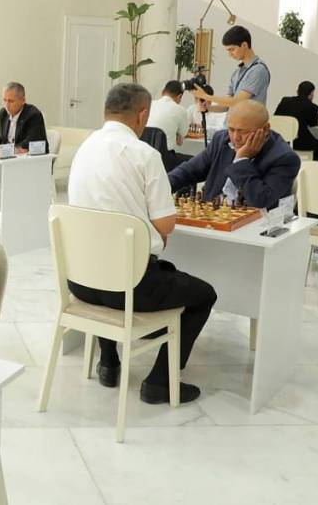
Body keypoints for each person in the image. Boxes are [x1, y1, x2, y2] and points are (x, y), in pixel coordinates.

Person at [67, 83, 216, 404]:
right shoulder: (145, 155)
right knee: (204, 295)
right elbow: (166, 225)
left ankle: (109, 362)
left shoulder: (84, 147)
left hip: (80, 282)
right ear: (143, 115)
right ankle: (161, 382)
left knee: (114, 263)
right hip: (129, 287)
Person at [168, 101, 301, 210]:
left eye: (243, 131)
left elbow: (260, 200)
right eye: (231, 129)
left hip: (254, 226)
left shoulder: (284, 158)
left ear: (265, 129)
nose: (236, 137)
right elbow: (190, 170)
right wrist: (162, 186)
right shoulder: (221, 139)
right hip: (213, 215)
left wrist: (241, 160)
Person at [190, 25, 270, 109]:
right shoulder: (237, 72)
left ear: (244, 45)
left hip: (248, 118)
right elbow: (228, 104)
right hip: (232, 117)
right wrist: (207, 108)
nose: (230, 54)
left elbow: (237, 102)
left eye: (232, 49)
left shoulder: (258, 70)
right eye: (228, 51)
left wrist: (205, 96)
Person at [0, 81, 48, 151]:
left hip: (32, 157)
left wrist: (7, 149)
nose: (7, 105)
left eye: (11, 101)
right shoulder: (3, 113)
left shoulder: (33, 115)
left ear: (23, 100)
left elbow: (30, 142)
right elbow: (3, 139)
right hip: (10, 156)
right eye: (5, 100)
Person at [274, 80, 318, 157]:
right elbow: (313, 124)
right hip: (301, 142)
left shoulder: (285, 101)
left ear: (297, 91)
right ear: (311, 94)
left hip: (281, 140)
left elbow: (276, 116)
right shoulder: (312, 107)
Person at [147, 80, 190, 148]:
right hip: (165, 153)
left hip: (146, 151)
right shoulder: (180, 110)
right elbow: (183, 134)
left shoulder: (149, 104)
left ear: (162, 92)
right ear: (179, 96)